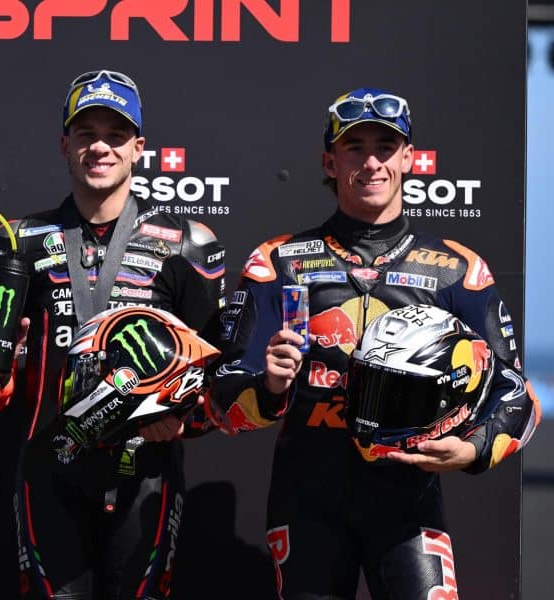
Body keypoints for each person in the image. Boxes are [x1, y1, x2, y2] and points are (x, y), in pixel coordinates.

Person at [202, 87, 542, 598]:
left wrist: (471, 449)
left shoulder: (458, 269)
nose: (371, 162)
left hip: (408, 503)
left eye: (385, 146)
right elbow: (218, 401)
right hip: (306, 501)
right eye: (354, 147)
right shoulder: (278, 261)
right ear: (329, 160)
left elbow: (518, 395)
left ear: (409, 158)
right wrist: (270, 388)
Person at [0, 69, 226, 599]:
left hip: (145, 468)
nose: (100, 147)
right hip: (47, 468)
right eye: (86, 133)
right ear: (65, 144)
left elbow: (218, 376)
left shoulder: (187, 243)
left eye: (115, 134)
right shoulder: (18, 241)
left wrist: (182, 419)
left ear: (139, 148)